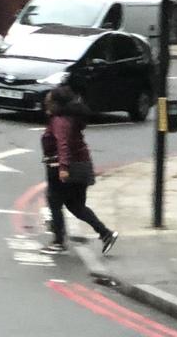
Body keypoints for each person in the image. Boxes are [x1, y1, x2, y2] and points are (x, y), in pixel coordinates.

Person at [40, 85, 119, 256]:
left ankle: (58, 242)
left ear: (56, 104)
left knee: (54, 201)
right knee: (76, 206)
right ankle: (105, 233)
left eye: (49, 101)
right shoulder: (71, 117)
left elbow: (63, 144)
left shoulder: (60, 121)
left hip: (64, 167)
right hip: (82, 166)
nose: (46, 103)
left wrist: (63, 168)